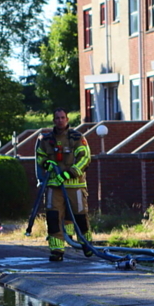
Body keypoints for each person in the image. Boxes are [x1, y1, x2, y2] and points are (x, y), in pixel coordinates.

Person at [34, 108, 91, 262]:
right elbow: (40, 157)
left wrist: (69, 173)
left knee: (80, 216)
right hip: (54, 186)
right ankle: (57, 250)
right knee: (53, 217)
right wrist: (47, 163)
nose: (60, 120)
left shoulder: (77, 137)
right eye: (57, 118)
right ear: (54, 120)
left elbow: (85, 158)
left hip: (75, 185)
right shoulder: (46, 139)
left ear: (67, 119)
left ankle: (86, 244)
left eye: (62, 117)